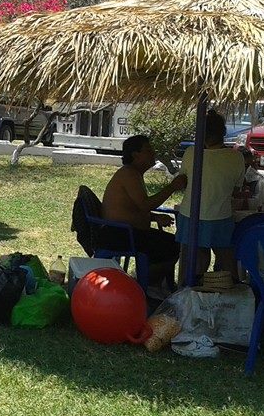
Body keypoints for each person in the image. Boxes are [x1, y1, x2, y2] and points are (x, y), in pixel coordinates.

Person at [101, 135, 187, 290]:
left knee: (170, 243)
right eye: (148, 150)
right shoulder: (129, 174)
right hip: (119, 234)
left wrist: (154, 218)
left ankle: (151, 283)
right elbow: (145, 205)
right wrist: (172, 187)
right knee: (172, 245)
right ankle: (144, 285)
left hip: (124, 231)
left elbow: (132, 208)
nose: (153, 153)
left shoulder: (133, 173)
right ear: (135, 154)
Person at [176, 110, 246, 279]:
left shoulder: (191, 153)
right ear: (223, 132)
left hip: (191, 214)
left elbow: (184, 182)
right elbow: (237, 191)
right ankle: (231, 292)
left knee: (191, 262)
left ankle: (186, 292)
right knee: (226, 259)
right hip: (220, 216)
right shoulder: (236, 157)